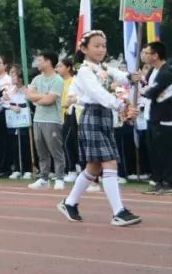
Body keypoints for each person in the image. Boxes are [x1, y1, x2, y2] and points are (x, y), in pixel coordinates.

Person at [57, 30, 141, 226]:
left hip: (104, 117)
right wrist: (120, 105)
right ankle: (118, 211)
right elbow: (97, 94)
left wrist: (131, 76)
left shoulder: (103, 67)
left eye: (103, 45)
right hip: (92, 116)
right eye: (96, 45)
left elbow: (119, 75)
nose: (101, 49)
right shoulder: (85, 71)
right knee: (110, 162)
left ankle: (69, 203)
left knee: (93, 167)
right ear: (84, 49)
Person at [27, 52, 67, 190]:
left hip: (53, 120)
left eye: (40, 60)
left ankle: (60, 178)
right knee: (41, 151)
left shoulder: (57, 80)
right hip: (38, 119)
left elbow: (50, 100)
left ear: (49, 62)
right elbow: (29, 95)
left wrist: (38, 98)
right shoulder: (37, 79)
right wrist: (42, 96)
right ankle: (44, 178)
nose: (38, 63)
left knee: (56, 150)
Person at [138, 41, 171, 195]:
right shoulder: (153, 71)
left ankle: (167, 182)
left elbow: (152, 92)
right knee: (153, 151)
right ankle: (157, 181)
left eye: (148, 52)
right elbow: (148, 88)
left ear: (155, 55)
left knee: (164, 152)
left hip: (164, 119)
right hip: (150, 116)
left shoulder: (166, 72)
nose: (145, 55)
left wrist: (144, 91)